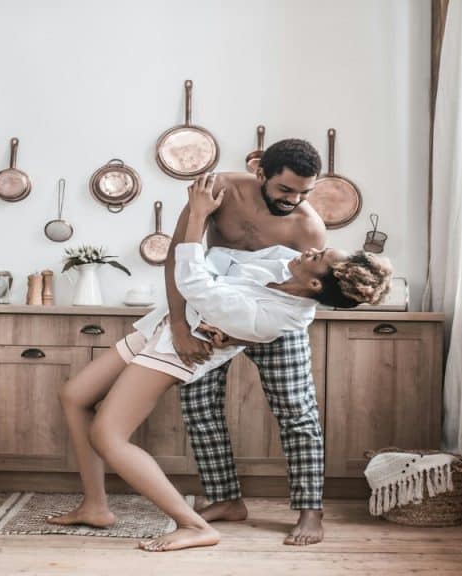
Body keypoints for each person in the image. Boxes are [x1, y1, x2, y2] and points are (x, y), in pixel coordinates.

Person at [48, 174, 392, 552]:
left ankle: (193, 526)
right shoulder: (284, 264)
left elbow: (195, 283)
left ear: (314, 285)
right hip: (163, 327)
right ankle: (96, 506)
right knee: (74, 395)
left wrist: (198, 215)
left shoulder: (280, 315)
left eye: (317, 257)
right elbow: (222, 262)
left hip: (178, 349)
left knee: (107, 435)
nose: (310, 250)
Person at [169, 140, 334, 545]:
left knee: (297, 410)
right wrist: (178, 325)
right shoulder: (218, 189)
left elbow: (306, 297)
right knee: (198, 403)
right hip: (215, 309)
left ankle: (310, 511)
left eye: (304, 192)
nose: (293, 200)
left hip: (273, 317)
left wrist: (243, 333)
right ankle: (226, 499)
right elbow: (179, 255)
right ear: (261, 173)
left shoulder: (309, 227)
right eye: (285, 189)